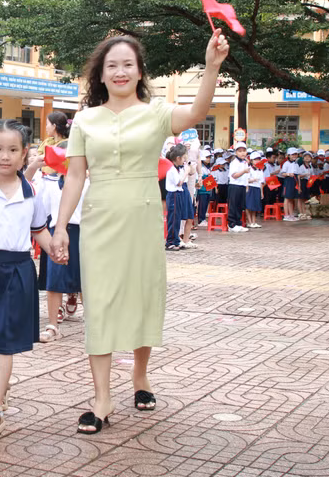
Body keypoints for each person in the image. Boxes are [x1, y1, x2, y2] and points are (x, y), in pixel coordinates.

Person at [51, 30, 229, 435]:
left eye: (127, 65)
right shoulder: (85, 121)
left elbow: (198, 112)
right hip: (99, 219)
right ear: (100, 74)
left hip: (145, 217)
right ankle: (101, 398)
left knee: (143, 296)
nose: (119, 72)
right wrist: (60, 226)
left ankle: (141, 377)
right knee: (100, 302)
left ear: (139, 71)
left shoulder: (156, 113)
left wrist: (212, 66)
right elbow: (75, 176)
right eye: (111, 65)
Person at [0, 120, 53, 435]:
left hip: (18, 270)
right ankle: (0, 393)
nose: (5, 156)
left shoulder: (33, 191)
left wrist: (55, 249)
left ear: (24, 153)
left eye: (13, 150)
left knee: (3, 338)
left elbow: (39, 230)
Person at [39, 140, 88, 342]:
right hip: (57, 231)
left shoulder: (89, 181)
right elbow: (42, 210)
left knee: (88, 279)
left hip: (84, 232)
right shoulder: (49, 182)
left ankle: (94, 322)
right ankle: (52, 325)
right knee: (55, 278)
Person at [164, 145, 186, 251]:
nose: (184, 160)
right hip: (173, 195)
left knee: (177, 218)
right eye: (183, 158)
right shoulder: (172, 169)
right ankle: (170, 241)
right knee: (173, 219)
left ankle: (176, 239)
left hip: (177, 194)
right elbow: (179, 183)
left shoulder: (175, 168)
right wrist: (186, 172)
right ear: (178, 158)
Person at [227, 142, 250, 232]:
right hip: (234, 186)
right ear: (236, 152)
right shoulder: (234, 163)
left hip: (242, 186)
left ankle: (238, 223)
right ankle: (231, 224)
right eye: (240, 151)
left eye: (244, 151)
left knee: (240, 205)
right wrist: (244, 171)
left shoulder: (245, 162)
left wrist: (246, 185)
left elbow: (247, 176)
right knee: (234, 205)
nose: (242, 153)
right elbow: (234, 175)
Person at [246, 151, 265, 228]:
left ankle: (254, 222)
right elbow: (245, 180)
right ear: (251, 161)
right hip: (250, 187)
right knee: (248, 206)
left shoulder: (260, 170)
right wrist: (252, 180)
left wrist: (262, 192)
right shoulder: (249, 169)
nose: (257, 161)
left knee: (255, 206)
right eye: (255, 159)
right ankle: (249, 222)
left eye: (258, 159)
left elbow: (261, 182)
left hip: (257, 188)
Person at [280, 148, 300, 221]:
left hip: (294, 181)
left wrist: (299, 185)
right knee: (287, 198)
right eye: (292, 154)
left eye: (295, 154)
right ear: (288, 155)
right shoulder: (286, 163)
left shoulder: (296, 164)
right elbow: (282, 173)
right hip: (288, 181)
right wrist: (288, 174)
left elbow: (298, 175)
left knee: (291, 198)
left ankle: (291, 215)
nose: (294, 156)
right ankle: (286, 215)